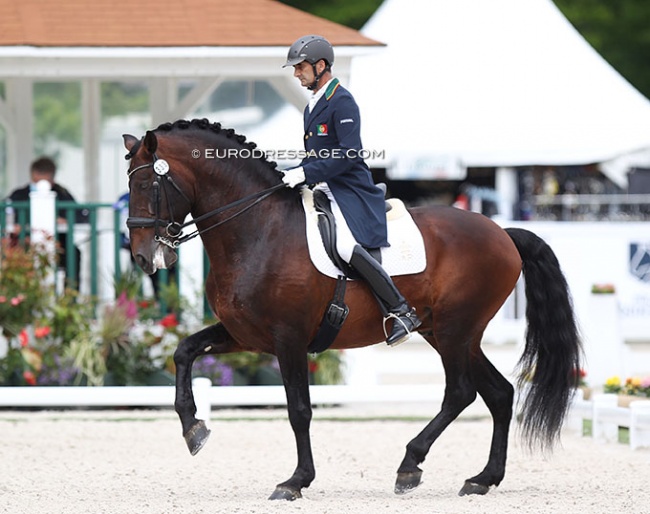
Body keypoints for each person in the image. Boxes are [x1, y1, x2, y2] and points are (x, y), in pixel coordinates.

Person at [280, 35, 421, 347]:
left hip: (347, 190)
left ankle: (400, 309)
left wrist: (305, 172)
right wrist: (292, 172)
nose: (296, 74)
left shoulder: (342, 101)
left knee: (343, 245)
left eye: (300, 67)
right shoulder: (312, 106)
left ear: (320, 66)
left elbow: (348, 153)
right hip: (321, 188)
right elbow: (316, 154)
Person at [7, 156, 88, 290]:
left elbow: (81, 215)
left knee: (74, 253)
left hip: (59, 245)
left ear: (52, 179)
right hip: (24, 244)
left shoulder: (62, 193)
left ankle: (70, 298)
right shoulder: (18, 195)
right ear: (32, 175)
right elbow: (8, 216)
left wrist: (66, 219)